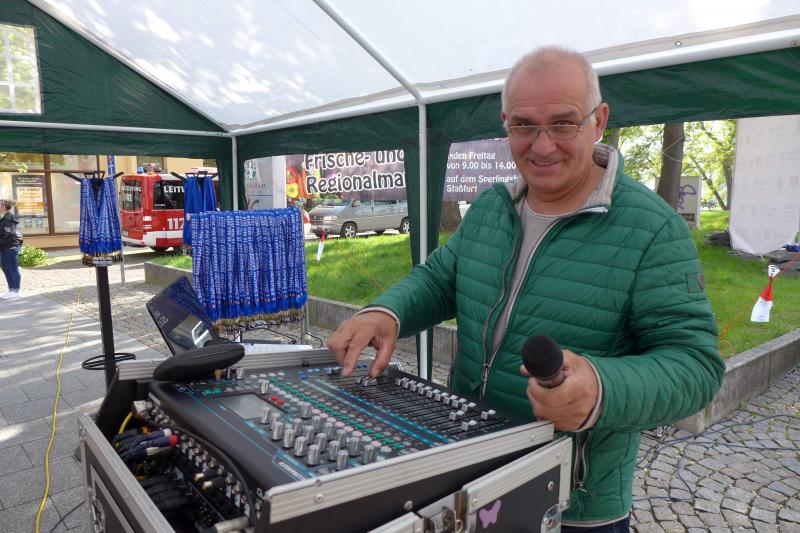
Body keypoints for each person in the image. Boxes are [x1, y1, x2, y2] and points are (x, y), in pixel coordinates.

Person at [328, 46, 724, 531]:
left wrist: (600, 389)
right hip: (469, 467)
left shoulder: (653, 229)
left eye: (563, 124)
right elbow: (440, 279)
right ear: (506, 125)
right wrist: (386, 312)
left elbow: (696, 367)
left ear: (599, 122)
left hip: (573, 506)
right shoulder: (492, 207)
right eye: (524, 126)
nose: (542, 145)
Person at [0, 198, 23, 299]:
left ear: (4, 206)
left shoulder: (9, 219)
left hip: (10, 247)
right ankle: (11, 290)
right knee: (6, 269)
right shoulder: (5, 219)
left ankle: (16, 291)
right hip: (5, 247)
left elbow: (9, 235)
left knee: (12, 268)